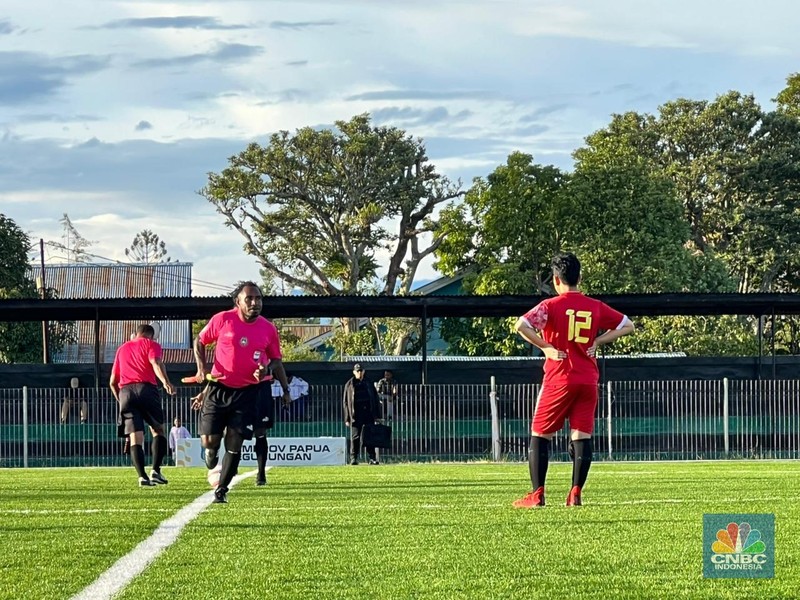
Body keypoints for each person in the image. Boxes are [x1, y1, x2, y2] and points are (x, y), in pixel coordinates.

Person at [512, 252, 634, 508]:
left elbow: (521, 325)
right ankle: (575, 492)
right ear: (580, 277)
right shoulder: (595, 306)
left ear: (556, 280)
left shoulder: (549, 306)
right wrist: (598, 340)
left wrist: (545, 347)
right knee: (581, 435)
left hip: (559, 377)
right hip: (588, 380)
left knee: (539, 434)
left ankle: (537, 495)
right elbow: (628, 325)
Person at [191, 281, 291, 503]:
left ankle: (222, 490)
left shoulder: (268, 328)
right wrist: (201, 368)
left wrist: (266, 369)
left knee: (235, 444)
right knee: (209, 441)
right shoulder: (223, 320)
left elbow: (275, 359)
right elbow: (200, 341)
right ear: (238, 302)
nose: (255, 303)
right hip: (218, 389)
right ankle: (210, 453)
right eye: (250, 299)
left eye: (259, 299)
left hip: (247, 393)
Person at [110, 324, 176, 487]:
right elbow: (156, 362)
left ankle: (142, 477)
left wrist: (121, 402)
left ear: (137, 333)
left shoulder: (122, 348)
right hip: (146, 389)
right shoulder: (151, 344)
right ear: (151, 335)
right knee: (158, 430)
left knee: (135, 437)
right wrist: (166, 382)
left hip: (125, 392)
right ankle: (155, 471)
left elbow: (112, 381)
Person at [342, 364, 382, 465]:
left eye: (361, 371)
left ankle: (372, 458)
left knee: (369, 437)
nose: (359, 373)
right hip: (356, 415)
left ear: (363, 372)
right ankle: (353, 458)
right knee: (355, 437)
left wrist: (377, 415)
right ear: (354, 372)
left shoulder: (368, 383)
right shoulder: (349, 384)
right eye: (357, 371)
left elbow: (375, 399)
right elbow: (345, 402)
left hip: (368, 413)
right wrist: (347, 417)